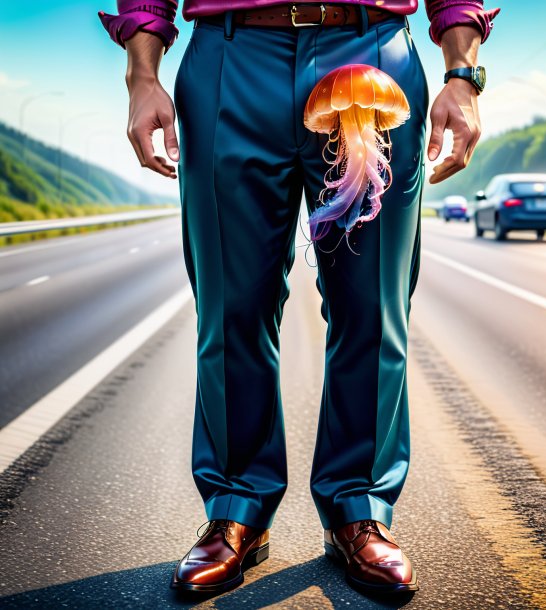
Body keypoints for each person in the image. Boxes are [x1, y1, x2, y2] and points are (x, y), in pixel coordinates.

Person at [98, 0, 499, 596]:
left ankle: (357, 509)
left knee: (372, 307)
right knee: (232, 307)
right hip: (230, 61)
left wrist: (462, 75)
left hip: (371, 53)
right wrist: (143, 75)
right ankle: (238, 507)